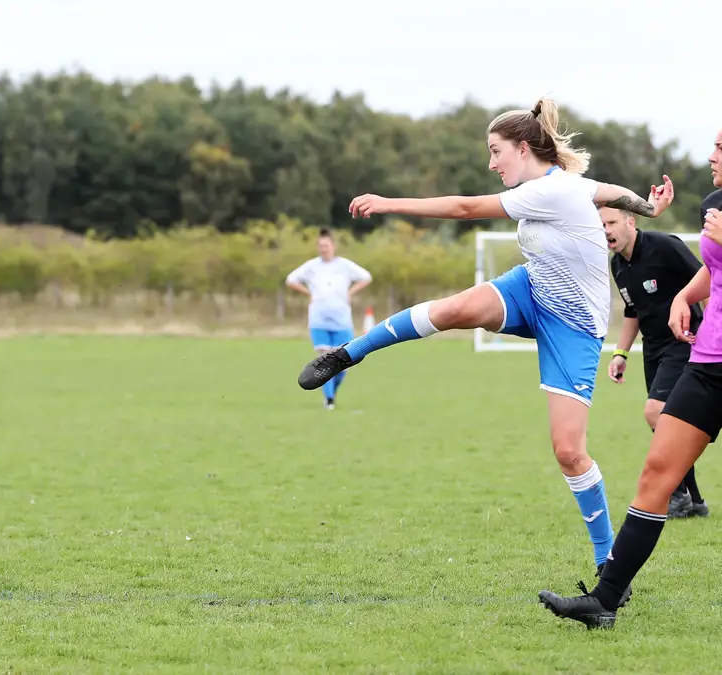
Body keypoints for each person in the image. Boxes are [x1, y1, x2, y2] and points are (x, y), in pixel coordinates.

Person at [297, 98, 675, 583]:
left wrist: (389, 203)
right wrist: (648, 205)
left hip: (574, 325)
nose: (491, 163)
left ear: (522, 148)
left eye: (496, 152)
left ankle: (607, 561)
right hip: (530, 288)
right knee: (453, 309)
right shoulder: (566, 186)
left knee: (569, 452)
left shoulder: (551, 192)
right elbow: (614, 191)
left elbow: (463, 207)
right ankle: (347, 354)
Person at [538, 129, 722, 629]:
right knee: (655, 475)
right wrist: (686, 297)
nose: (710, 155)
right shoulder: (715, 206)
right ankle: (604, 601)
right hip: (706, 363)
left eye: (720, 148)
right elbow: (712, 267)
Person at [602, 205, 709, 518]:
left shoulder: (664, 247)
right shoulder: (618, 264)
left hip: (686, 339)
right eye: (602, 225)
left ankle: (675, 494)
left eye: (611, 222)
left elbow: (707, 282)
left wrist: (714, 333)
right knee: (671, 422)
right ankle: (694, 500)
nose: (606, 230)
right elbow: (632, 311)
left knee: (656, 412)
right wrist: (620, 353)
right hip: (653, 350)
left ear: (630, 222)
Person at [285, 228, 373, 409]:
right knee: (325, 358)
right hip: (319, 319)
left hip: (341, 320)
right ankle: (329, 399)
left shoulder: (344, 266)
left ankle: (333, 389)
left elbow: (366, 277)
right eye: (320, 245)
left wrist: (351, 292)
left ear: (333, 246)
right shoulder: (311, 267)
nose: (323, 248)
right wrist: (308, 293)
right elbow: (291, 279)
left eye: (326, 245)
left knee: (343, 363)